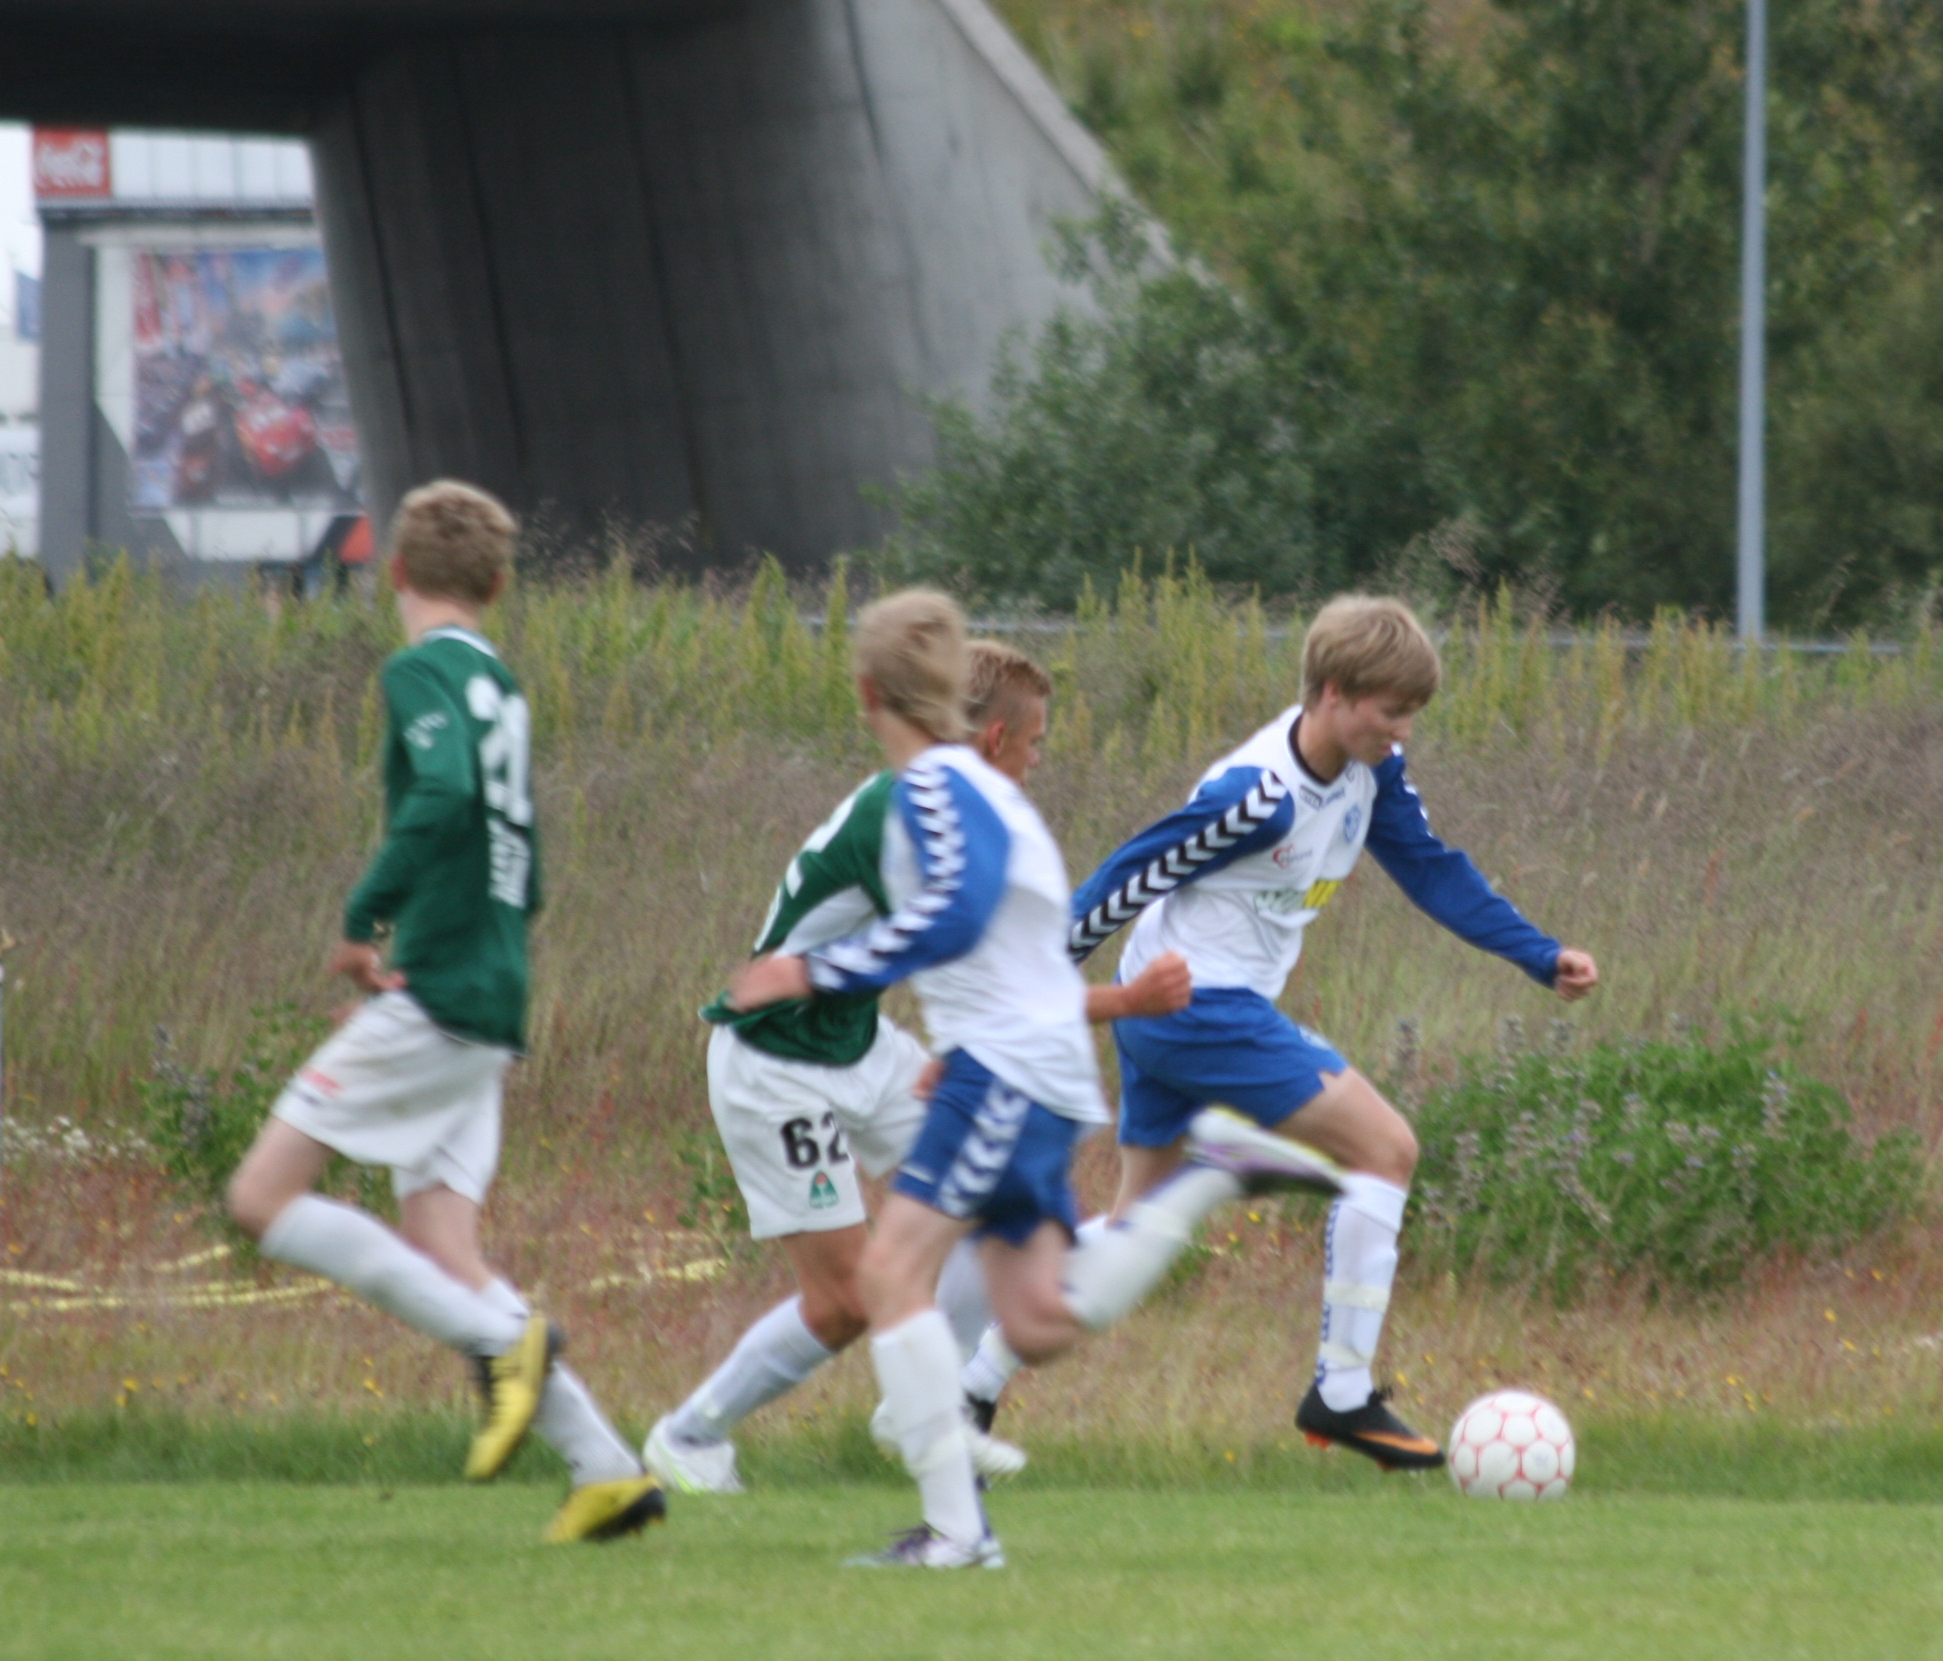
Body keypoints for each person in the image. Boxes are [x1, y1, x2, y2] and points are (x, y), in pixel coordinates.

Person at [719, 591, 1344, 1568]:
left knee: (888, 1276)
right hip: (1031, 1070)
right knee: (1038, 1318)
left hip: (1006, 1071)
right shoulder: (988, 795)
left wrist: (812, 971)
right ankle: (1207, 1177)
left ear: (868, 692)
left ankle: (956, 1532)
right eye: (1040, 739)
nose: (1039, 753)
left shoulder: (936, 788)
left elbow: (957, 920)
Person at [957, 595, 1599, 1470]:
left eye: (1411, 714)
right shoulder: (1255, 798)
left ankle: (972, 1384)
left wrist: (1539, 955)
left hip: (1184, 1014)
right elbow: (1126, 880)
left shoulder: (1373, 775)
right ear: (1333, 693)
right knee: (1387, 1149)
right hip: (1197, 1008)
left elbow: (1432, 871)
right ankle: (1342, 1391)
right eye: (1390, 711)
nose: (1402, 731)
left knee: (1138, 1229)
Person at [223, 479, 663, 1544]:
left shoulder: (419, 669)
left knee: (260, 1198)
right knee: (441, 1244)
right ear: (499, 585)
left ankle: (503, 1346)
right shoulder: (500, 683)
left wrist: (363, 921)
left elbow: (445, 792)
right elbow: (526, 861)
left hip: (447, 991)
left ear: (395, 572)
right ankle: (608, 1471)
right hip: (492, 990)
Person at [642, 639, 1187, 1495]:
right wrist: (1129, 999)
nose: (1038, 763)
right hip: (774, 1063)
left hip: (858, 1047)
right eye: (1037, 743)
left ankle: (918, 1413)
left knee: (990, 1202)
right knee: (844, 1303)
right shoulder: (915, 814)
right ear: (997, 739)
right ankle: (688, 1437)